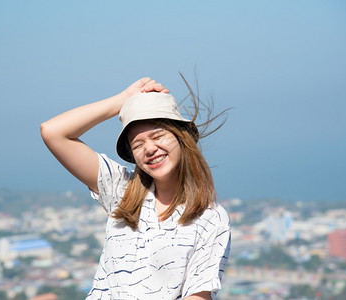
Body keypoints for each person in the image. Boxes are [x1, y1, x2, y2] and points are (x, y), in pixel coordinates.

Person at [40, 77, 231, 300]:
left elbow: (198, 296)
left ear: (181, 138)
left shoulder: (210, 217)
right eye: (137, 145)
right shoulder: (122, 191)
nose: (150, 149)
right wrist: (123, 100)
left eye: (158, 136)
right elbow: (53, 132)